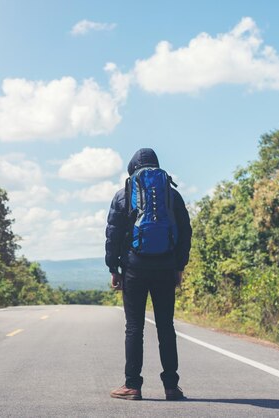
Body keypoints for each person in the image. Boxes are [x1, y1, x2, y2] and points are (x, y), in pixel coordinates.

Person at [105, 148, 192, 401]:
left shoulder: (124, 195)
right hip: (165, 266)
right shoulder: (171, 195)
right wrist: (179, 267)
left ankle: (132, 385)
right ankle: (171, 387)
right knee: (166, 326)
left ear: (132, 168)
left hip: (134, 267)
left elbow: (113, 235)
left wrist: (114, 269)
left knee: (134, 327)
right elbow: (185, 233)